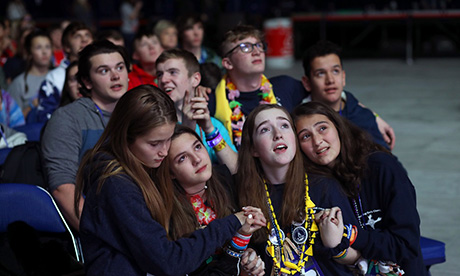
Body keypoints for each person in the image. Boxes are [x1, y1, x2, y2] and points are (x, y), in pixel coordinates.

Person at [75, 85, 265, 275]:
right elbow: (169, 261)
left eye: (167, 140)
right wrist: (232, 223)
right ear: (126, 138)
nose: (164, 151)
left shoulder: (139, 168)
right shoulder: (116, 185)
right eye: (154, 143)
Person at [292, 101, 426, 275]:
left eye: (322, 128)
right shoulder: (314, 187)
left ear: (338, 128)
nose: (318, 141)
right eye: (305, 136)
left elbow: (406, 246)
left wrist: (352, 235)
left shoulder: (382, 167)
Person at [236, 104, 363, 275]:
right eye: (265, 129)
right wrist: (246, 258)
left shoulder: (324, 186)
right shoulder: (244, 194)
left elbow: (358, 256)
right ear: (253, 148)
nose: (278, 134)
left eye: (284, 125)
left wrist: (334, 243)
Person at [41, 40, 130, 231]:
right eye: (104, 71)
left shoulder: (138, 114)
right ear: (87, 82)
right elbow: (62, 188)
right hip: (101, 222)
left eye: (120, 68)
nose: (116, 76)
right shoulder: (68, 118)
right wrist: (99, 235)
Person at [156, 124, 265, 276]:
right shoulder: (166, 211)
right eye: (182, 158)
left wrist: (249, 258)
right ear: (171, 173)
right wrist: (239, 243)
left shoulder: (225, 180)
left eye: (197, 147)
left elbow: (249, 245)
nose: (196, 159)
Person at [301, 40, 394, 150]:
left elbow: (385, 161)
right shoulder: (299, 120)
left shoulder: (363, 117)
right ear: (307, 83)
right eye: (321, 73)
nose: (330, 80)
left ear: (343, 77)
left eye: (335, 71)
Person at [156, 48, 237, 171]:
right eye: (159, 74)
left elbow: (235, 169)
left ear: (195, 79)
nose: (163, 80)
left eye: (172, 72)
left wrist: (210, 130)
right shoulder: (157, 126)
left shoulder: (213, 124)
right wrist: (188, 128)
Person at [36, 21, 93, 122]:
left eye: (87, 35)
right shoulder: (54, 77)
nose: (84, 40)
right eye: (77, 36)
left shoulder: (100, 72)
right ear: (66, 47)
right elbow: (45, 117)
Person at [7, 29, 52, 119]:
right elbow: (11, 121)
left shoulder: (59, 77)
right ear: (29, 53)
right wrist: (31, 107)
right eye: (38, 47)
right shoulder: (19, 83)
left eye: (47, 47)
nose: (44, 52)